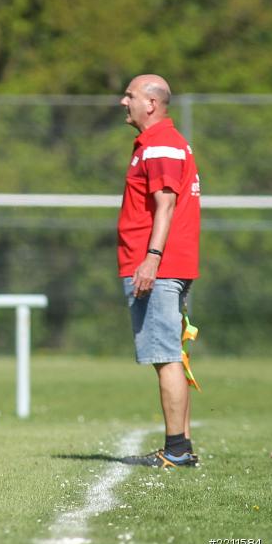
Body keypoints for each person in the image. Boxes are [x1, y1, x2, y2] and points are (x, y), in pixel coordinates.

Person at [116, 74, 201, 468]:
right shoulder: (161, 142)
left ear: (151, 103)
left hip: (158, 267)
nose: (123, 102)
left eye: (130, 96)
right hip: (167, 265)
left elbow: (164, 205)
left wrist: (151, 257)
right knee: (170, 354)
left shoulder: (160, 144)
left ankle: (177, 451)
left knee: (165, 355)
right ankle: (181, 446)